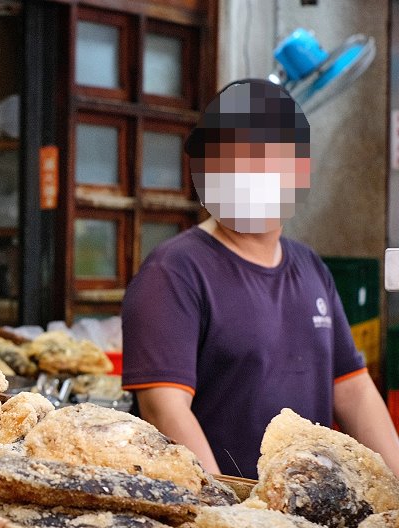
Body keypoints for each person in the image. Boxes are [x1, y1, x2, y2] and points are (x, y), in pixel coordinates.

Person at [121, 78, 399, 479]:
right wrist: (226, 512)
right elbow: (165, 409)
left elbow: (352, 390)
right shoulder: (174, 271)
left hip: (307, 515)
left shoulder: (311, 267)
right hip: (220, 513)